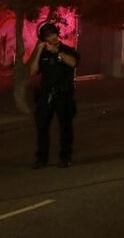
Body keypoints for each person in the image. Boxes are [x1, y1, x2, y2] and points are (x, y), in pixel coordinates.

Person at [27, 22, 80, 168]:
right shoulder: (43, 54)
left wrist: (57, 52)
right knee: (42, 127)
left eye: (53, 34)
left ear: (57, 34)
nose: (52, 37)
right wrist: (38, 51)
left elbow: (73, 63)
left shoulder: (67, 50)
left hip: (63, 94)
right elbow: (32, 71)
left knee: (65, 127)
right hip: (46, 95)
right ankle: (41, 158)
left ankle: (65, 157)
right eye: (48, 36)